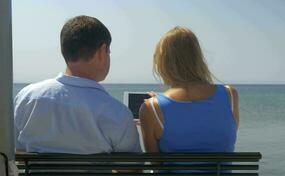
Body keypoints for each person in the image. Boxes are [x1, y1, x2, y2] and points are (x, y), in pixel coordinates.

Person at [14, 15, 141, 154]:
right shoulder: (117, 112)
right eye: (108, 52)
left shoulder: (27, 98)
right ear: (102, 52)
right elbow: (131, 171)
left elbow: (17, 151)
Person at [140, 26, 239, 154]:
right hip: (218, 175)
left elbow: (155, 163)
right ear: (197, 57)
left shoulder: (151, 109)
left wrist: (155, 105)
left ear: (164, 62)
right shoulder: (230, 95)